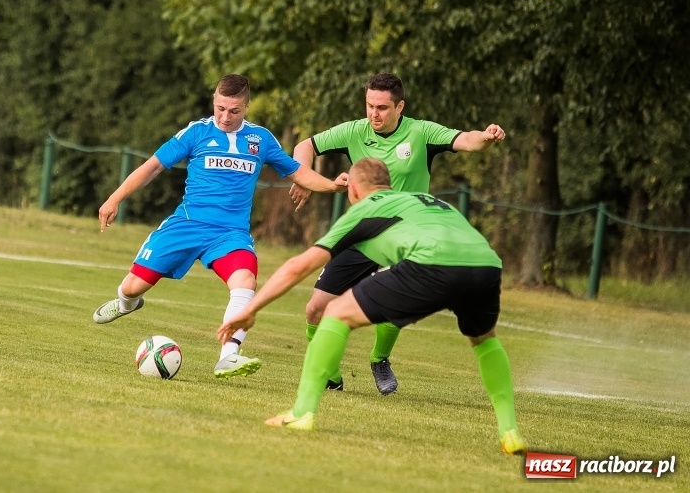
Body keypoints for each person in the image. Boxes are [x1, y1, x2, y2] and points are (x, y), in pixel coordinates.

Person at [218, 158, 526, 455]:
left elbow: (299, 267)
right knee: (485, 341)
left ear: (352, 189)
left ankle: (302, 413)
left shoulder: (366, 208)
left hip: (432, 263)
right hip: (485, 265)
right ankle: (510, 432)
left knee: (335, 313)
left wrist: (251, 308)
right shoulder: (422, 200)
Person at [93, 74, 348, 379]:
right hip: (186, 225)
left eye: (234, 111)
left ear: (247, 107)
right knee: (133, 286)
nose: (225, 117)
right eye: (220, 108)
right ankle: (126, 303)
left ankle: (228, 357)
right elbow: (153, 167)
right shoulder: (196, 132)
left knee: (245, 281)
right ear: (214, 102)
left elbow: (297, 173)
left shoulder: (261, 139)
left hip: (230, 234)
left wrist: (333, 186)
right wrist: (115, 198)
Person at [289, 72, 506, 395]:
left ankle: (380, 359)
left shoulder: (421, 132)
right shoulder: (354, 131)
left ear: (400, 106)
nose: (374, 114)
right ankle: (330, 375)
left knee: (391, 307)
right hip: (363, 235)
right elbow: (305, 145)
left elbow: (465, 139)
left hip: (406, 239)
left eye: (382, 107)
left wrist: (486, 137)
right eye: (369, 106)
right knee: (315, 309)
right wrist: (303, 177)